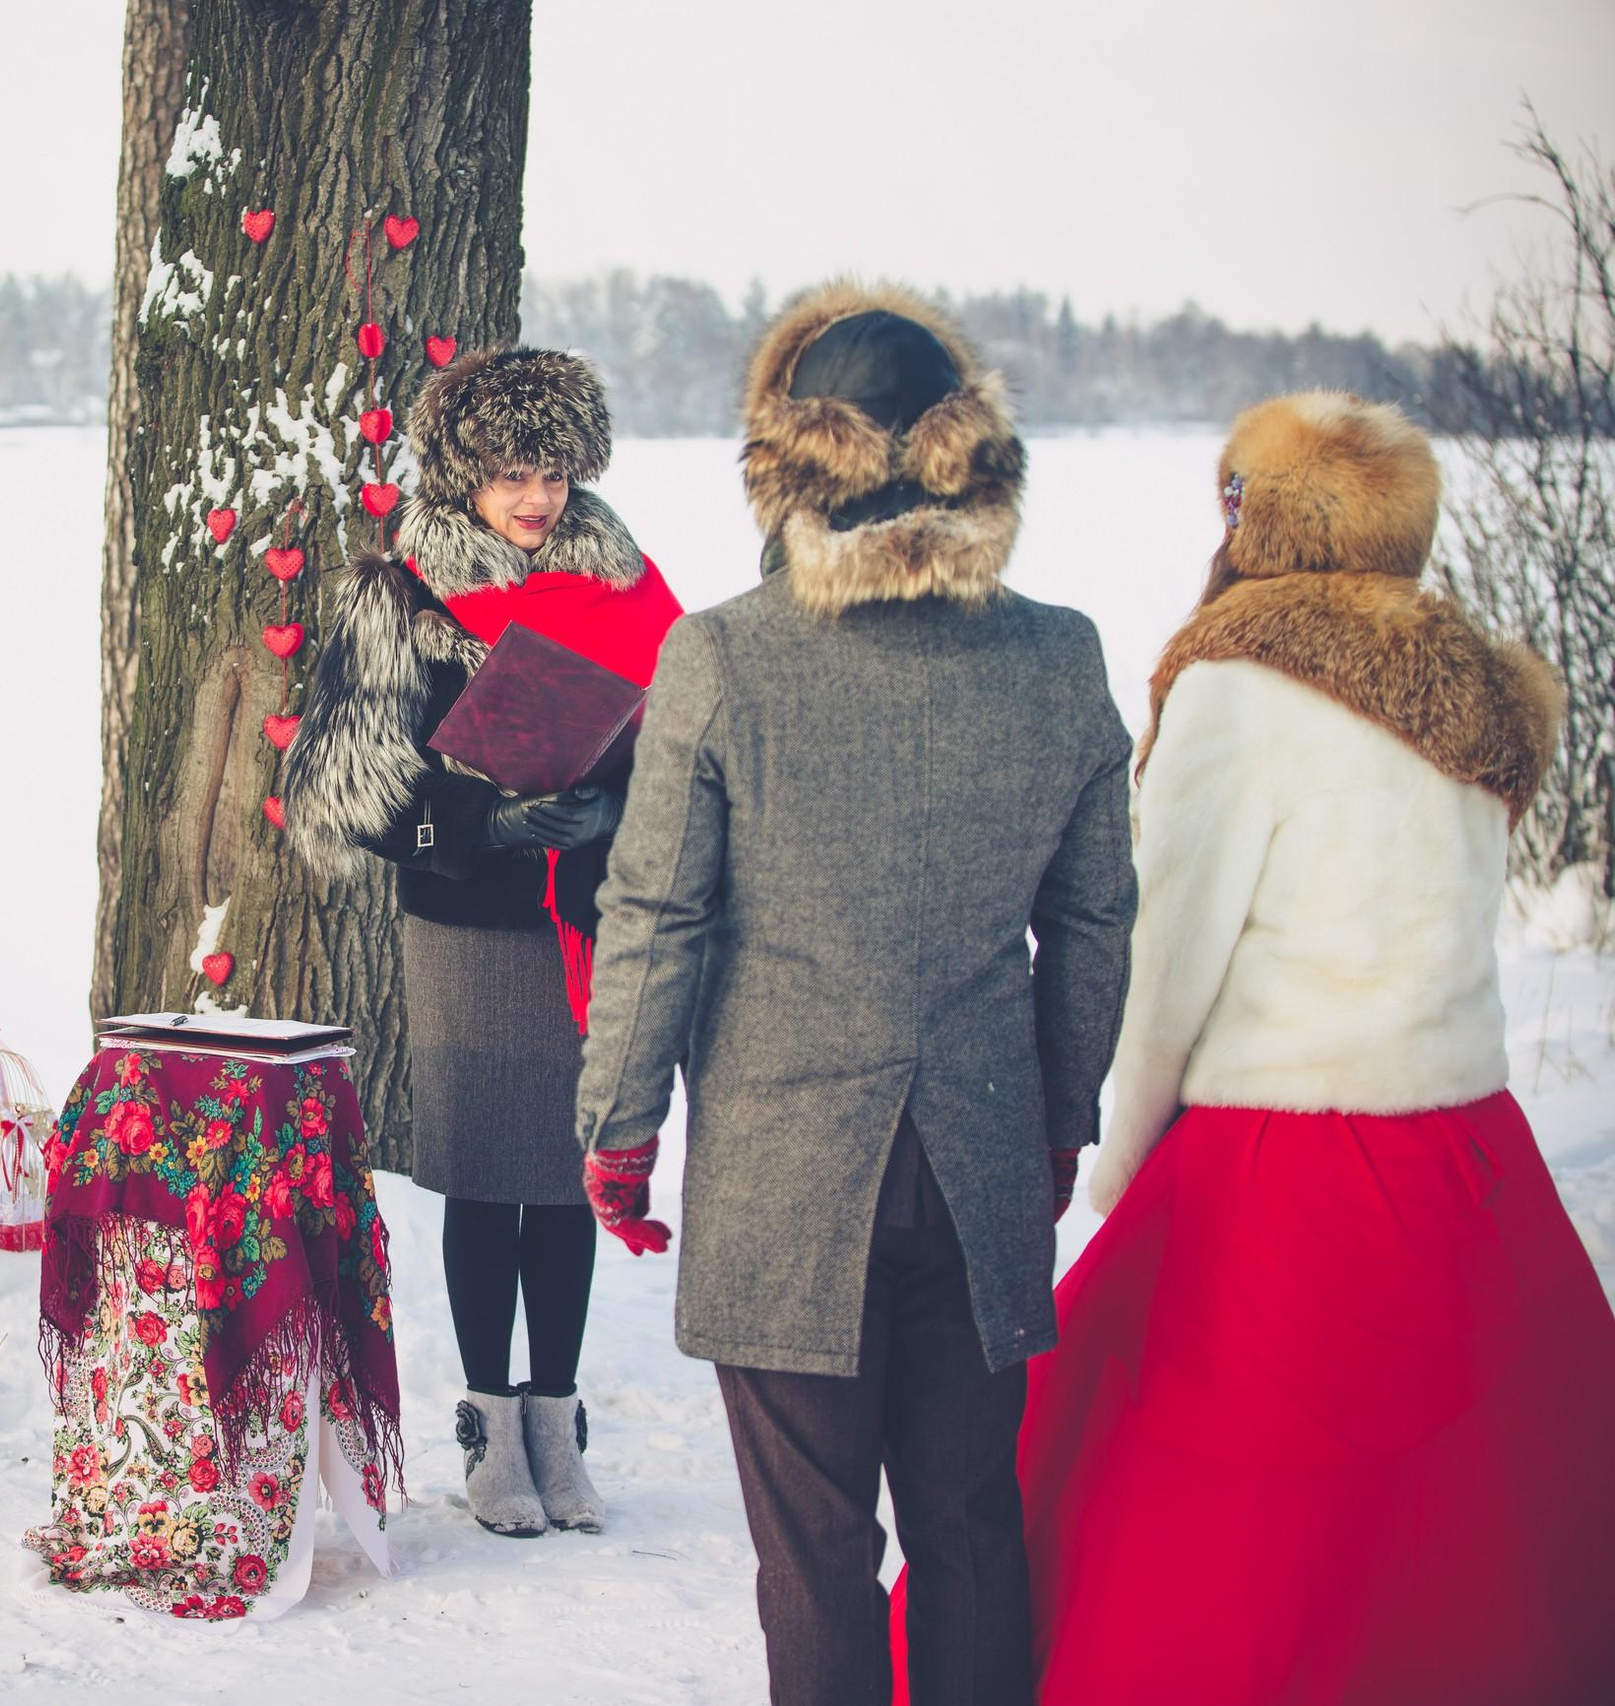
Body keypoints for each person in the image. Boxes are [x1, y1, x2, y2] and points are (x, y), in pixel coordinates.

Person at [571, 281, 1135, 1705]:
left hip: (784, 1172)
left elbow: (657, 913)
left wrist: (619, 1129)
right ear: (975, 467)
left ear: (789, 468)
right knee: (968, 1532)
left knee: (815, 1556)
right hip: (983, 1157)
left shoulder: (722, 657)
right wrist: (1062, 1120)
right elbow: (1092, 921)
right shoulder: (1057, 657)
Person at [1016, 392, 1615, 1704]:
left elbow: (1166, 951)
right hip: (1462, 1139)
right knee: (1465, 1504)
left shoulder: (1236, 688)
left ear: (1259, 514)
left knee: (1199, 1497)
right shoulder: (1471, 688)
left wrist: (1127, 1160)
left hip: (1281, 1148)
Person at [282, 346, 683, 1538]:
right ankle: (487, 1425)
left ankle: (556, 1423)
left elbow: (685, 733)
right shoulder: (400, 588)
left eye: (554, 471)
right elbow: (336, 786)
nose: (536, 498)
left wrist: (623, 801)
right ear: (463, 472)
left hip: (595, 910)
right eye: (512, 472)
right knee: (482, 1169)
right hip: (468, 919)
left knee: (567, 1171)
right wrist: (485, 816)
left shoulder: (630, 584)